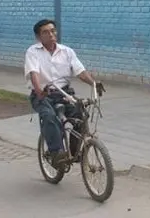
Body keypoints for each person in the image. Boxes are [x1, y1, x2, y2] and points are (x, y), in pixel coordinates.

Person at [24, 19, 100, 166]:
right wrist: (39, 91)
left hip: (64, 94)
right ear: (38, 37)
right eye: (46, 32)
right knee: (50, 116)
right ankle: (56, 152)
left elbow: (80, 71)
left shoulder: (67, 51)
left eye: (53, 31)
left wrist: (94, 83)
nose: (51, 34)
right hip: (43, 94)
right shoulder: (33, 52)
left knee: (81, 115)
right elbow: (34, 73)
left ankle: (74, 151)